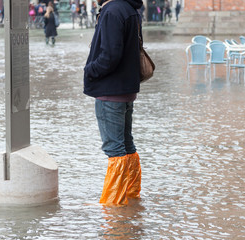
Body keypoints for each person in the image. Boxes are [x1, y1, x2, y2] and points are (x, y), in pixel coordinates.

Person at [83, 0, 143, 206]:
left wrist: (90, 70)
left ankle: (113, 205)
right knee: (126, 144)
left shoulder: (112, 11)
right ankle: (131, 194)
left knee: (115, 149)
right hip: (125, 89)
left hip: (110, 91)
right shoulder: (129, 9)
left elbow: (110, 55)